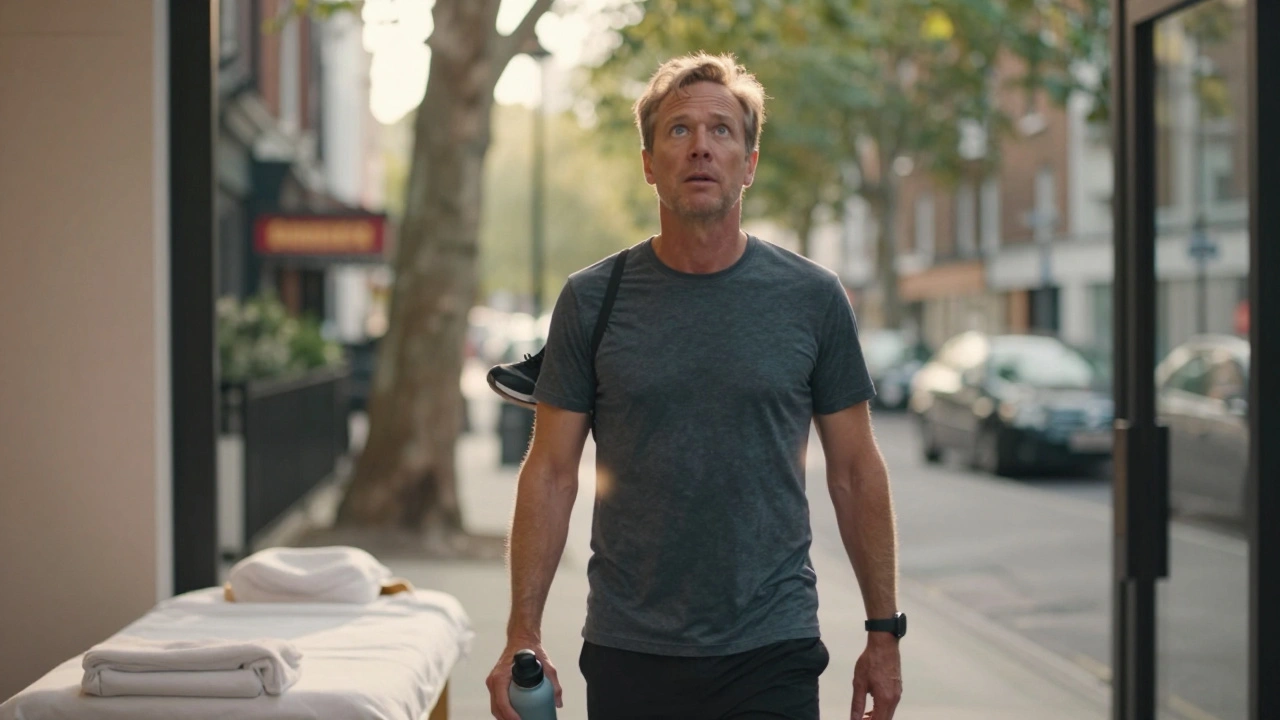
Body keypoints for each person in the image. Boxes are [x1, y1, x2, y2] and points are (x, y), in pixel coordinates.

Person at [485, 52, 904, 720]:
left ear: (750, 162)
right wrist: (522, 634)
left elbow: (855, 471)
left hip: (774, 646)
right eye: (678, 130)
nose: (701, 147)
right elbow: (552, 473)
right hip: (631, 649)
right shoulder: (591, 300)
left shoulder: (812, 298)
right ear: (650, 163)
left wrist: (884, 633)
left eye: (722, 131)